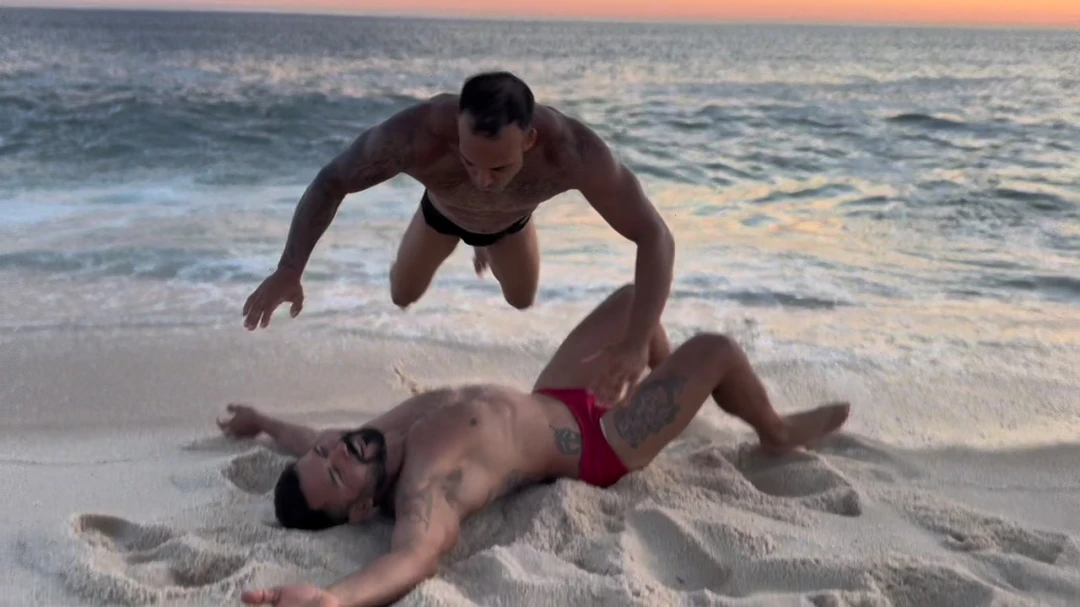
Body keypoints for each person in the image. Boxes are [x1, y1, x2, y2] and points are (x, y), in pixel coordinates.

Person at [219, 284, 851, 607]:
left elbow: (310, 441)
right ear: (360, 510)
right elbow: (411, 560)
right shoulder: (425, 488)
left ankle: (666, 393)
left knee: (637, 306)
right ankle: (774, 430)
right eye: (335, 474)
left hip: (556, 394)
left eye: (325, 454)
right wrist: (333, 599)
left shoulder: (368, 442)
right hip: (599, 443)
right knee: (716, 350)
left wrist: (266, 423)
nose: (335, 454)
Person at [240, 71, 675, 405]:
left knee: (520, 299)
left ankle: (487, 245)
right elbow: (331, 180)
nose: (483, 181)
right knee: (402, 295)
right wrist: (289, 269)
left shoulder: (570, 152)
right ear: (457, 131)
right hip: (440, 216)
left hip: (510, 225)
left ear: (529, 140)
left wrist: (637, 342)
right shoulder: (416, 136)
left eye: (499, 168)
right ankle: (463, 241)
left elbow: (654, 236)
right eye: (469, 163)